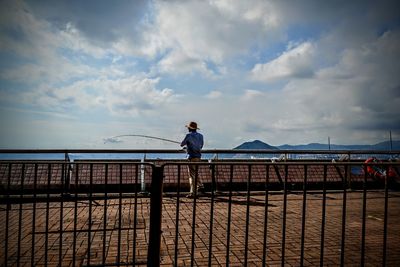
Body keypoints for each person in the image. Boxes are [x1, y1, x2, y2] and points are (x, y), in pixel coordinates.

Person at [181, 121, 204, 198]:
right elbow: (201, 146)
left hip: (191, 157)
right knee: (196, 172)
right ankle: (200, 186)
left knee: (192, 175)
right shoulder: (201, 136)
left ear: (189, 128)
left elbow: (182, 144)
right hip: (198, 156)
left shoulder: (188, 135)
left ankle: (193, 193)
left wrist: (186, 147)